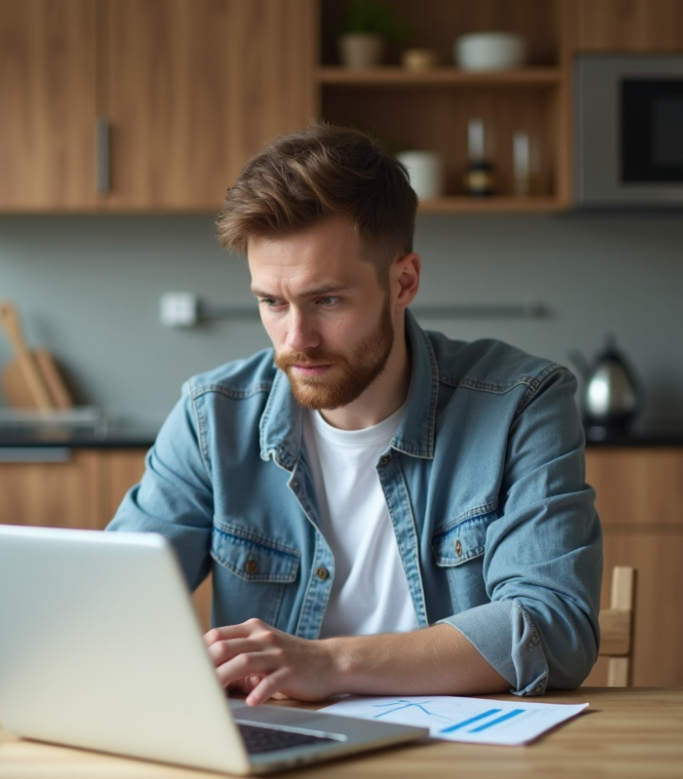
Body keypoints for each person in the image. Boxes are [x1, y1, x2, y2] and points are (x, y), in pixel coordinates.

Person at [108, 121, 602, 705]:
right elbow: (112, 604)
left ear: (404, 282)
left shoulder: (521, 404)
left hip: (460, 746)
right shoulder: (211, 417)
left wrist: (329, 663)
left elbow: (554, 627)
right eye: (272, 302)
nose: (297, 340)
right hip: (280, 741)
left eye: (327, 300)